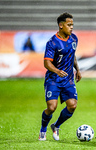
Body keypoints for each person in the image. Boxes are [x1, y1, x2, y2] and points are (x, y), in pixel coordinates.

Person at [39, 12, 82, 141]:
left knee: (72, 105)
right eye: (69, 25)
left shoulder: (74, 38)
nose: (72, 27)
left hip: (68, 79)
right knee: (51, 108)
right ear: (61, 25)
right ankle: (43, 130)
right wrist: (57, 71)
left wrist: (77, 70)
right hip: (53, 79)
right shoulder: (52, 42)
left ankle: (56, 126)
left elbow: (72, 55)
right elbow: (47, 63)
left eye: (72, 25)